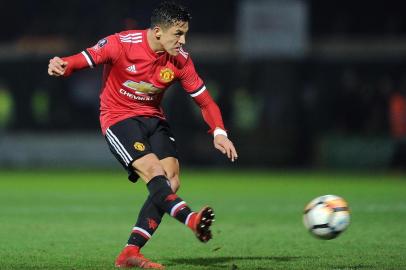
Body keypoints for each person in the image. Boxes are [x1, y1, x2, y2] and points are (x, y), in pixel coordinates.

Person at [47, 1, 238, 269]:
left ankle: (129, 253)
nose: (183, 40)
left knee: (171, 179)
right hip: (118, 118)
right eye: (178, 34)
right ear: (158, 31)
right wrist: (62, 64)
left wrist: (219, 132)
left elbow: (206, 101)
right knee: (153, 172)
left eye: (185, 34)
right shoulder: (121, 43)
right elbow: (84, 58)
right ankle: (191, 219)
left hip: (153, 118)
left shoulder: (180, 59)